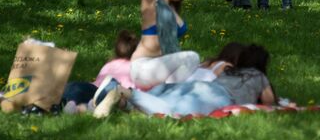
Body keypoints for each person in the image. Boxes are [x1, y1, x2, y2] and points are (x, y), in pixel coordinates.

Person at [92, 44, 277, 118]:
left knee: (160, 103)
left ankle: (121, 99)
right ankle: (123, 91)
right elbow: (270, 102)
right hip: (216, 97)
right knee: (169, 112)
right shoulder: (258, 76)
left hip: (199, 87)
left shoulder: (231, 71)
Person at [129, 0, 200, 90]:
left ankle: (166, 92)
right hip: (144, 68)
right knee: (193, 57)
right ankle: (168, 93)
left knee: (198, 71)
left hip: (160, 67)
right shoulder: (151, 3)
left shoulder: (171, 8)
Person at [61, 29, 139, 114]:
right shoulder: (135, 68)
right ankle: (83, 106)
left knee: (74, 89)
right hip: (106, 93)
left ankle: (70, 103)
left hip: (92, 88)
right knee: (86, 97)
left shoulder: (110, 63)